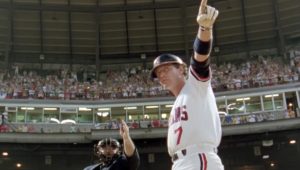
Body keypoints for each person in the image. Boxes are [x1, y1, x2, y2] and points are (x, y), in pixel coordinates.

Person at [150, 0, 224, 169]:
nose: (161, 75)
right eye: (158, 73)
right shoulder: (178, 102)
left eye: (166, 69)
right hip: (179, 162)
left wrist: (204, 29)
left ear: (181, 70)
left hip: (199, 158)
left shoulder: (195, 86)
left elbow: (200, 60)